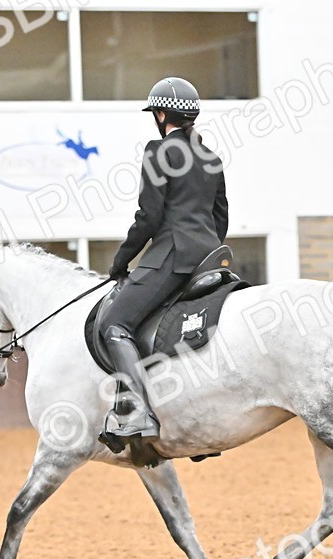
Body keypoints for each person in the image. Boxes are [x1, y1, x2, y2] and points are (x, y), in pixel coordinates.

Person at [99, 76, 229, 443]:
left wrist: (121, 261)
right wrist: (207, 251)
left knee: (115, 324)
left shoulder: (158, 151)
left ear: (160, 114)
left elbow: (149, 217)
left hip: (172, 255)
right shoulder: (211, 157)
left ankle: (138, 412)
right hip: (210, 255)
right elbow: (220, 217)